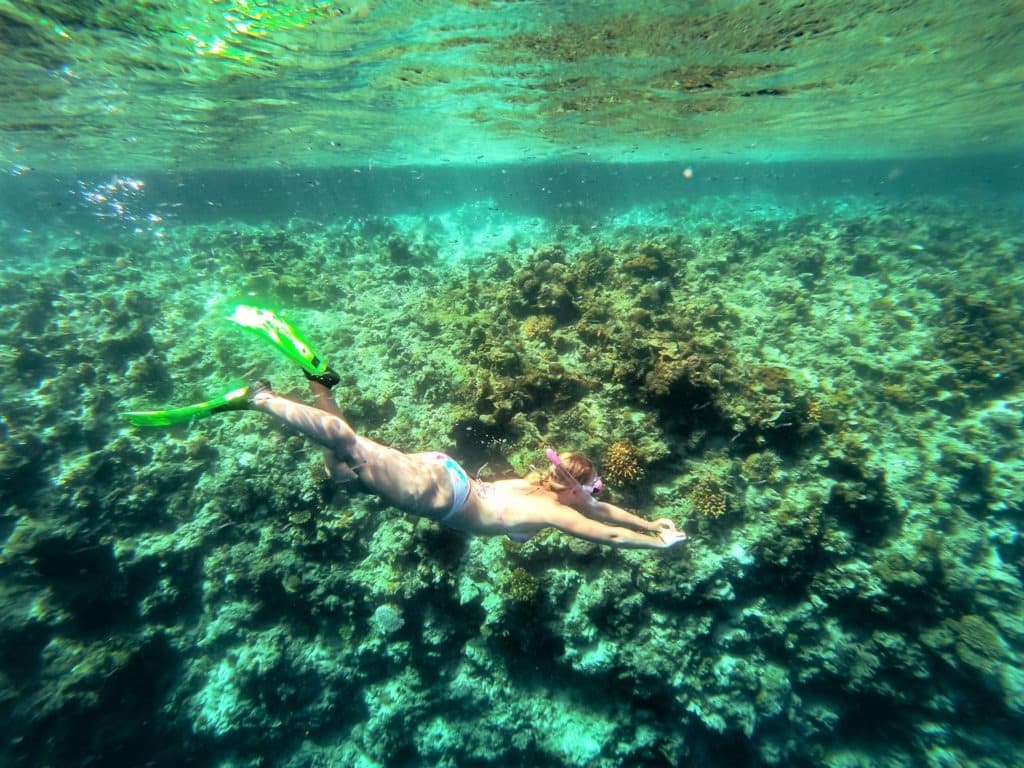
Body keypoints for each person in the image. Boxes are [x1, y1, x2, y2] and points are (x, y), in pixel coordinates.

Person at [124, 304, 688, 550]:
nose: (555, 473)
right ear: (571, 489)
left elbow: (606, 512)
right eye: (570, 477)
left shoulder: (548, 491)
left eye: (565, 474)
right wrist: (654, 545)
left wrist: (652, 523)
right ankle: (260, 398)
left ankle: (321, 381)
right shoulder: (548, 506)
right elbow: (604, 530)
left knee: (342, 470)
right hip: (439, 494)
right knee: (350, 448)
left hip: (446, 473)